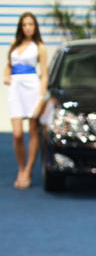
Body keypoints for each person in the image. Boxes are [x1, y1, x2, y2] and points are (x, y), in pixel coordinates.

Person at [4, 12, 47, 189]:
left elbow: (44, 75)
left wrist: (41, 99)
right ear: (21, 27)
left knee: (33, 130)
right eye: (25, 24)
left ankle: (28, 169)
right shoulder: (14, 45)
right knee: (17, 134)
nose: (28, 27)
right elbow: (8, 65)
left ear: (35, 26)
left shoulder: (40, 47)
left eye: (31, 24)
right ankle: (20, 167)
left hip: (32, 89)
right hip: (16, 90)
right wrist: (6, 76)